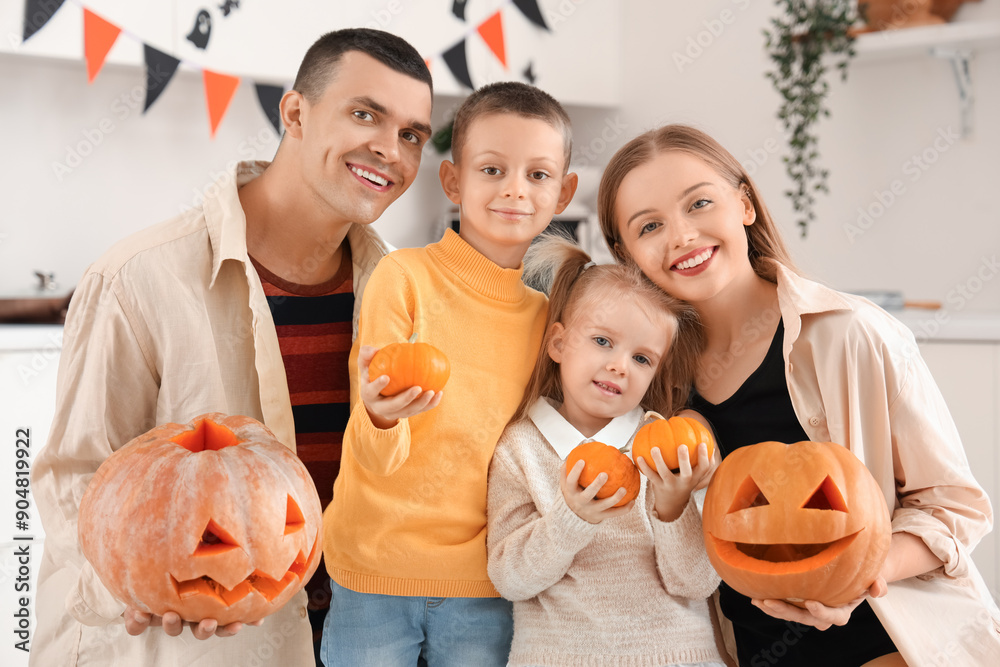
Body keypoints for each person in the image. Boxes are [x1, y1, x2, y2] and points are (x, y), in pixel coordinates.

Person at [31, 28, 433, 667]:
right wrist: (135, 585)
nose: (390, 149)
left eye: (413, 134)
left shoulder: (405, 294)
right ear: (295, 113)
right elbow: (74, 476)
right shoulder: (139, 277)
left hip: (353, 641)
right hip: (181, 648)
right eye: (366, 115)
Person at [597, 123, 1000, 667]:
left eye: (699, 204)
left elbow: (954, 505)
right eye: (650, 226)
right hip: (751, 650)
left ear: (744, 204)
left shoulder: (851, 333)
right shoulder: (650, 379)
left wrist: (862, 576)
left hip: (885, 643)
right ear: (627, 254)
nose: (682, 236)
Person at [319, 81, 579, 667]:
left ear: (564, 192)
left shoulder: (551, 323)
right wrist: (382, 414)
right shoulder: (403, 277)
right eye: (493, 169)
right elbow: (375, 448)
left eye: (538, 175)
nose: (515, 189)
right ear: (454, 181)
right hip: (374, 570)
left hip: (487, 583)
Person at [485, 233, 729, 667]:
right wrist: (570, 519)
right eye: (602, 341)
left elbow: (696, 582)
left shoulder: (668, 448)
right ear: (558, 343)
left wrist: (672, 507)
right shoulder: (519, 447)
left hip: (676, 656)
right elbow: (510, 578)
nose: (620, 365)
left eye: (642, 359)